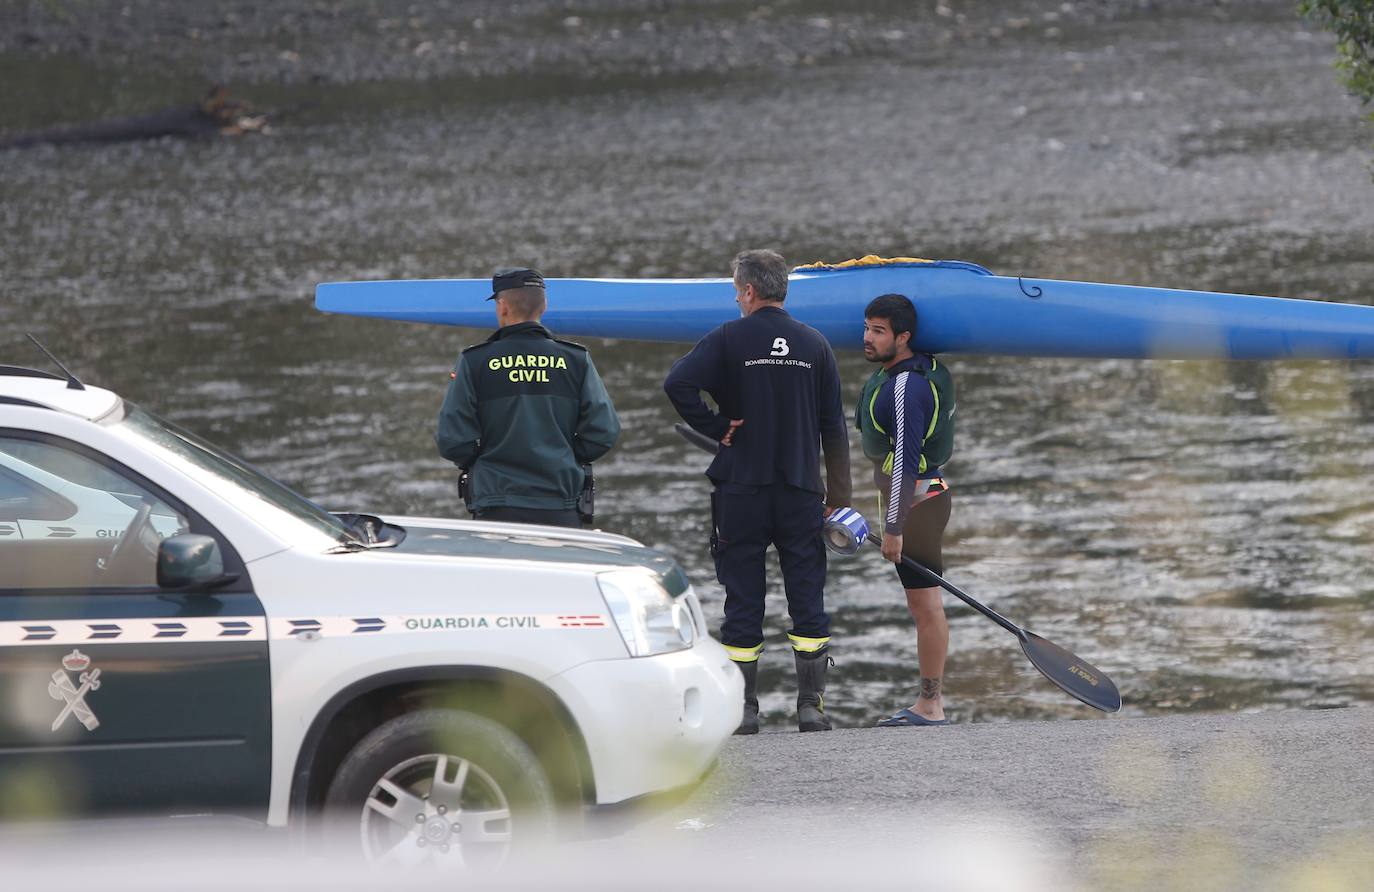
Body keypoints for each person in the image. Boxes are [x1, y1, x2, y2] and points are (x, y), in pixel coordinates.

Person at [664, 249, 852, 734]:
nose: (736, 298)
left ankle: (743, 710)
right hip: (801, 492)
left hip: (741, 492)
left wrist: (717, 426)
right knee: (807, 596)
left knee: (743, 600)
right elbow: (833, 427)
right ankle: (811, 708)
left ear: (748, 291)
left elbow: (678, 383)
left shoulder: (728, 338)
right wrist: (839, 496)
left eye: (736, 290)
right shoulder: (815, 344)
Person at [436, 267, 620, 527]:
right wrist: (566, 456)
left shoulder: (475, 361)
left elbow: (452, 439)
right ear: (544, 306)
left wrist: (484, 462)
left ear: (502, 307)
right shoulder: (575, 359)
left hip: (496, 504)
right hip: (561, 503)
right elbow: (604, 431)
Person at [856, 293, 956, 727]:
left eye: (878, 331)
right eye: (866, 328)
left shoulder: (906, 386)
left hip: (917, 504)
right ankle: (930, 703)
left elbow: (906, 459)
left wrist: (895, 526)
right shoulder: (913, 370)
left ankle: (931, 705)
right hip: (921, 499)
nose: (867, 338)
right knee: (923, 605)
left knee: (925, 606)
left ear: (903, 337)